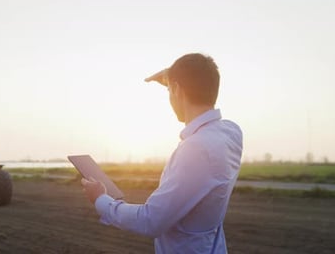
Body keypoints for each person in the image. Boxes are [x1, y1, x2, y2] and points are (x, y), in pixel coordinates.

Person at [81, 53, 243, 254]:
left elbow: (151, 221)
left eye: (170, 89)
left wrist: (101, 200)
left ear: (176, 89)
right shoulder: (231, 132)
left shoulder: (196, 149)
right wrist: (173, 77)